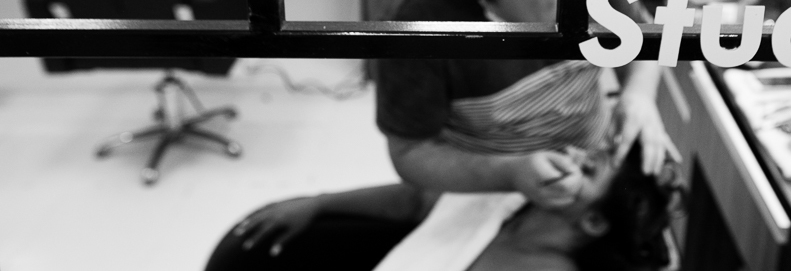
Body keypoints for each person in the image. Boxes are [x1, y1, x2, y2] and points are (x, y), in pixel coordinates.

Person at [374, 0, 677, 210]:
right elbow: (409, 152)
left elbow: (640, 42)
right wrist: (510, 173)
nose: (557, 49)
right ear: (485, 1)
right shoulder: (414, 18)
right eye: (533, 31)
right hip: (483, 190)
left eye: (567, 17)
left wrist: (639, 94)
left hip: (590, 151)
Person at [205, 140, 677, 271]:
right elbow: (414, 200)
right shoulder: (512, 197)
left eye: (588, 169)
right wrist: (317, 203)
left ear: (593, 220)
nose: (571, 154)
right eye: (585, 153)